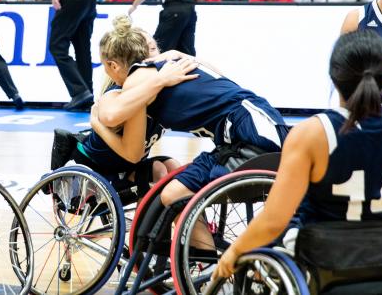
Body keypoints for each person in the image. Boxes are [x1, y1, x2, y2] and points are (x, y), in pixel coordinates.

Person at [214, 30, 382, 280]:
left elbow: (273, 221)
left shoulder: (313, 132)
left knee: (251, 263)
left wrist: (233, 252)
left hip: (323, 255)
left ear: (334, 75)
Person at [96, 19, 289, 239]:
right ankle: (198, 256)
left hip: (248, 134)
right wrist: (162, 77)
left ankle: (201, 260)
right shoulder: (174, 63)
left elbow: (113, 122)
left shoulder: (142, 77)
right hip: (265, 125)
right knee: (181, 177)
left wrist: (97, 123)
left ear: (113, 64)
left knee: (173, 193)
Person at [73, 19, 181, 188]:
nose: (154, 55)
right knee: (158, 170)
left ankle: (190, 214)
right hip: (99, 168)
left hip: (129, 163)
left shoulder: (160, 83)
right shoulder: (117, 95)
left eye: (154, 48)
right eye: (147, 50)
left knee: (175, 168)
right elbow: (132, 153)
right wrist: (96, 123)